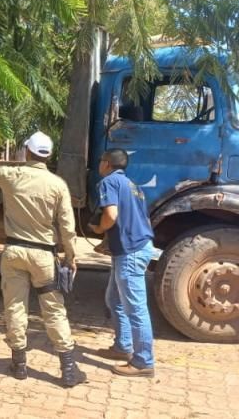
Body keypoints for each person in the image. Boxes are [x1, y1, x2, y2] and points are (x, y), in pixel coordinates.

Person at [0, 131, 86, 387]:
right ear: (48, 155)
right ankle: (68, 369)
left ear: (27, 151)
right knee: (54, 310)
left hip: (14, 253)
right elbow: (67, 227)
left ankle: (19, 364)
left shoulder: (12, 176)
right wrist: (71, 256)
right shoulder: (58, 185)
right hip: (44, 256)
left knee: (15, 307)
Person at [89, 148, 156, 377]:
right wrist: (109, 241)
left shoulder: (108, 182)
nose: (99, 164)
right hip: (134, 247)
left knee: (136, 309)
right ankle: (122, 347)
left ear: (107, 164)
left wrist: (99, 229)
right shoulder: (134, 187)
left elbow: (112, 216)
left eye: (100, 161)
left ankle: (143, 362)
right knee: (114, 299)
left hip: (131, 252)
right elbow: (135, 218)